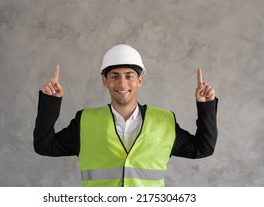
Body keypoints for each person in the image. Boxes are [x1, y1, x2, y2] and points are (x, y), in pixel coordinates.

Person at [33, 44, 218, 187]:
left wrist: (205, 105)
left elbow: (203, 148)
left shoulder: (163, 121)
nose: (122, 83)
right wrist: (50, 102)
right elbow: (44, 146)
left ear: (140, 80)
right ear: (104, 80)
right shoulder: (86, 122)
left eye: (129, 75)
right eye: (114, 76)